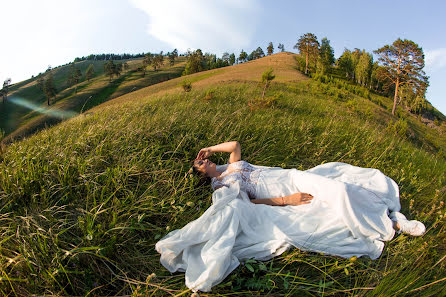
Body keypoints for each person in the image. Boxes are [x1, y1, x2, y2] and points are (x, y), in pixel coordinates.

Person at [156, 141, 425, 292]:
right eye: (201, 164)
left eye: (203, 159)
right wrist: (287, 201)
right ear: (202, 175)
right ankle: (390, 223)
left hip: (290, 177)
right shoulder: (221, 185)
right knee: (329, 206)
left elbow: (235, 144)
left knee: (339, 188)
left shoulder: (231, 165)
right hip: (282, 193)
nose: (205, 161)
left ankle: (389, 218)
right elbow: (251, 203)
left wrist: (210, 149)